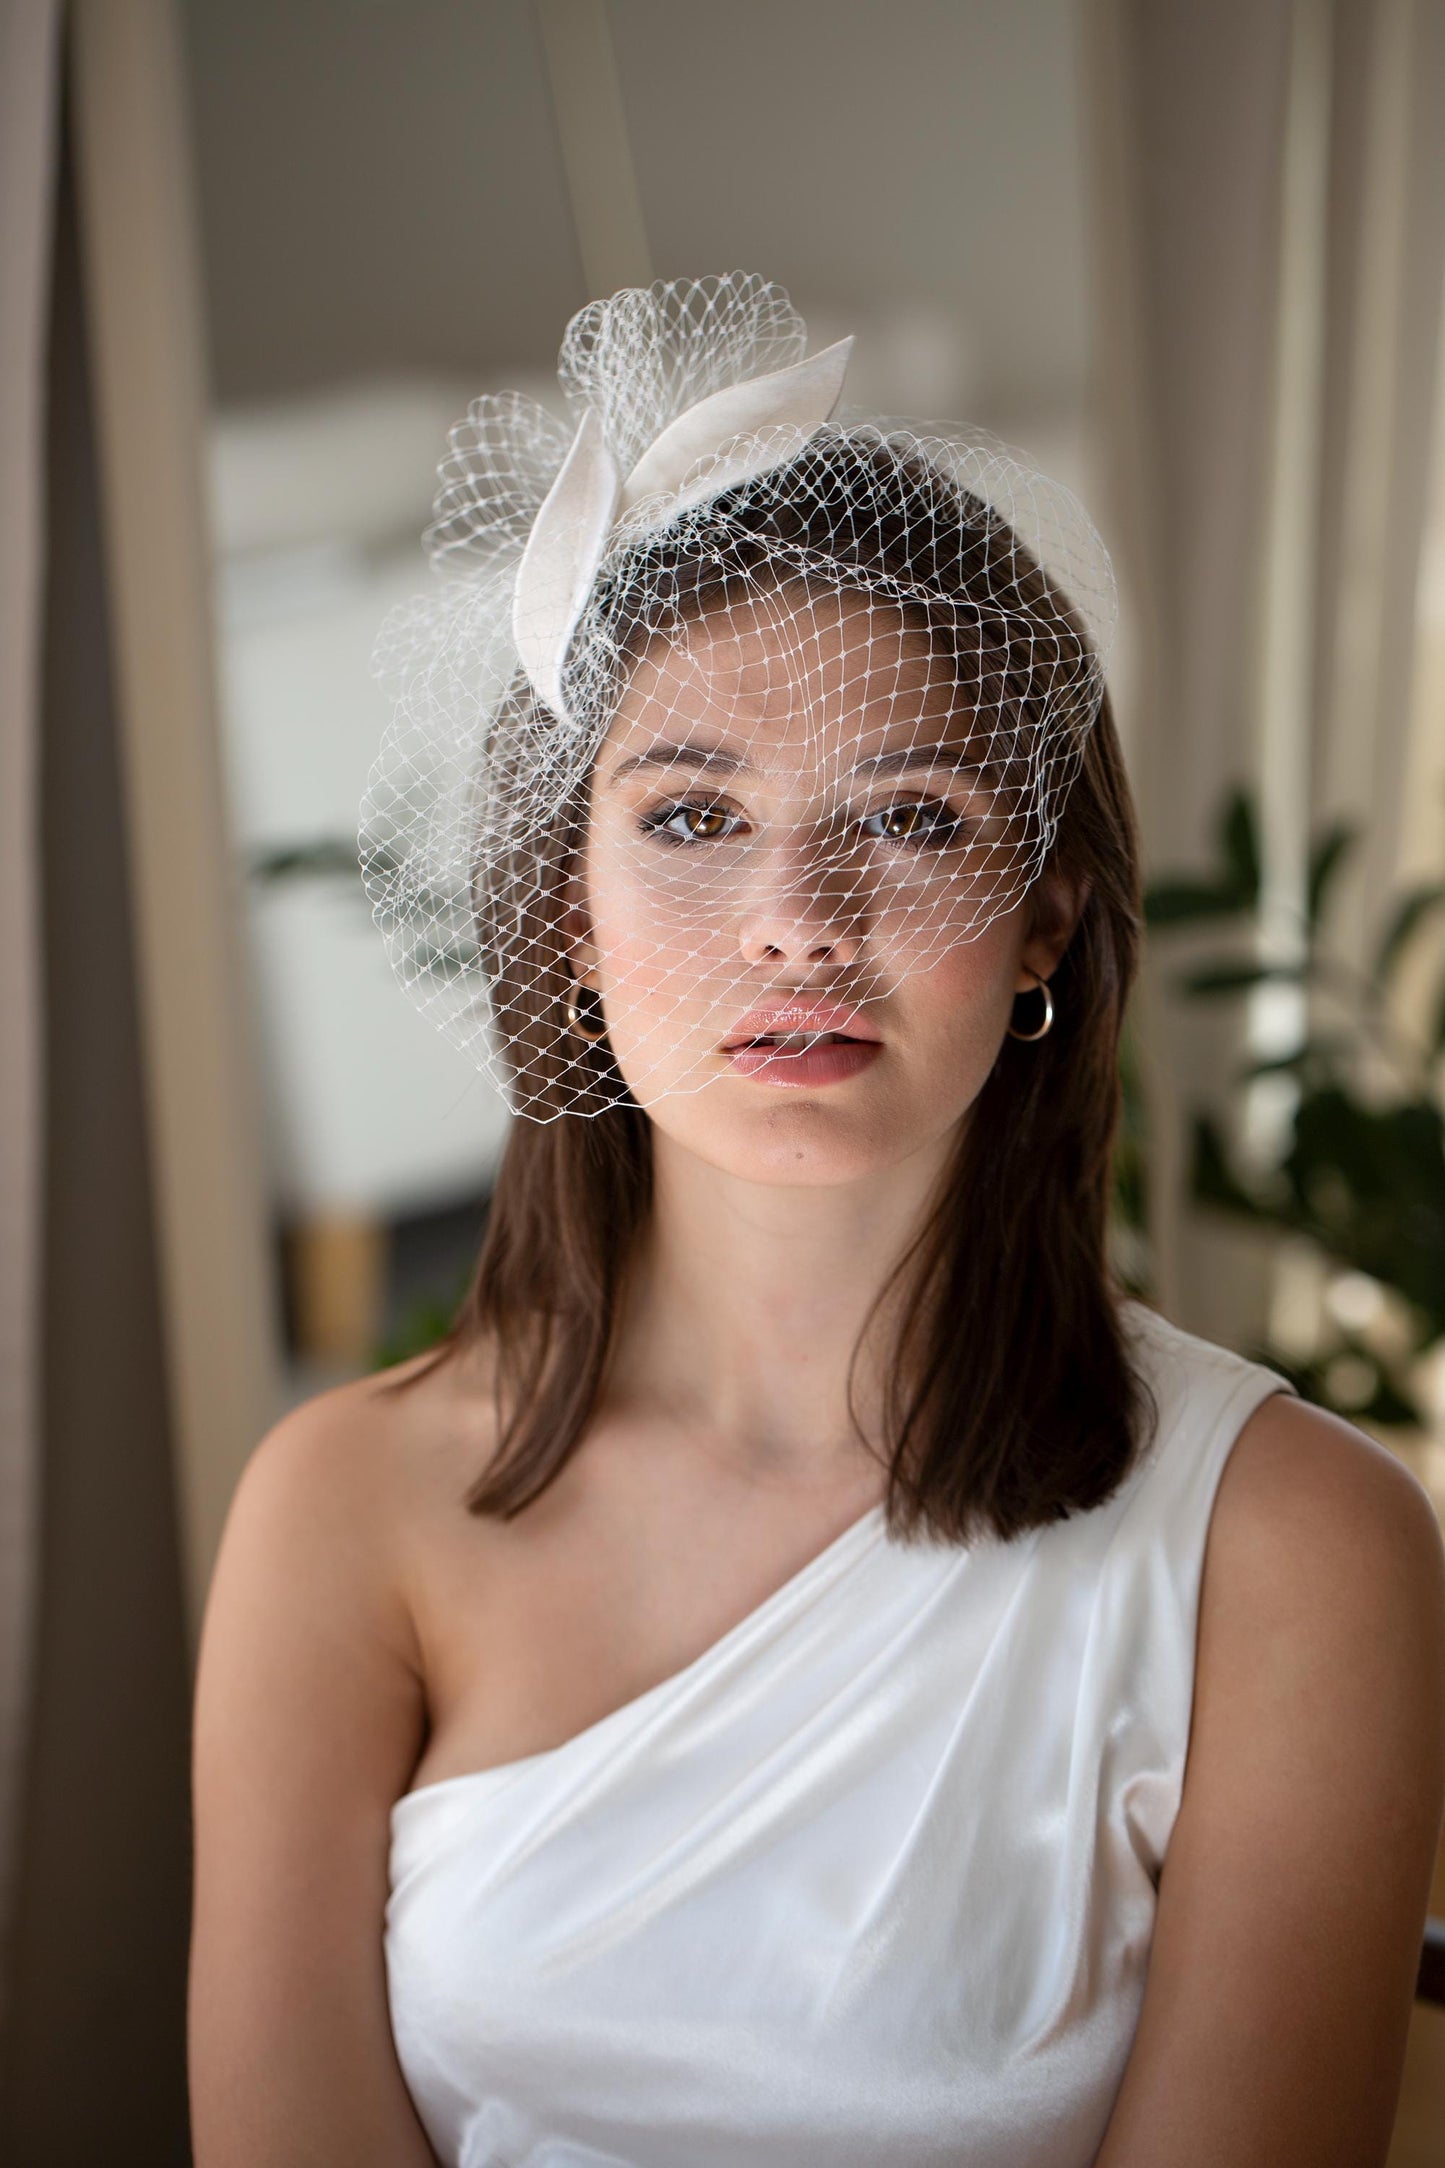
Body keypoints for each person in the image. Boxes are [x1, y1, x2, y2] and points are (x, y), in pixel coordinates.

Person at [188, 275, 1445, 2168]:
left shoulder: (1294, 1552)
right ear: (566, 916)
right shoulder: (342, 1509)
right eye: (692, 818)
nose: (798, 919)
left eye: (916, 818)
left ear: (1044, 922)